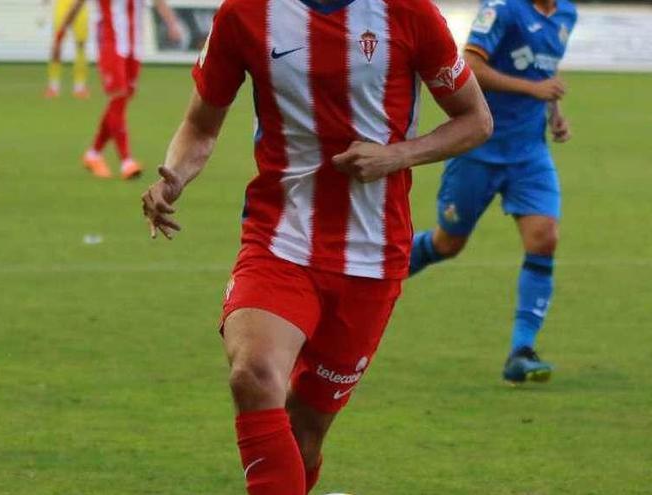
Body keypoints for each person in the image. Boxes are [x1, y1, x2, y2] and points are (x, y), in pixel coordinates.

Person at [140, 0, 492, 492]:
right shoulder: (245, 13)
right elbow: (200, 125)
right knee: (254, 373)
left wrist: (397, 156)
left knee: (303, 434)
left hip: (371, 257)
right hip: (278, 238)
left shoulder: (408, 12)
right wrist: (174, 176)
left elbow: (475, 119)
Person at [408, 0, 577, 384]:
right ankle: (373, 275)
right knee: (448, 243)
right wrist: (533, 89)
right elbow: (471, 68)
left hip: (529, 152)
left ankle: (521, 351)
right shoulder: (502, 10)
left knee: (544, 238)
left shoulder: (567, 13)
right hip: (478, 146)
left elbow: (544, 67)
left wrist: (554, 114)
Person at [53, 0, 182, 180]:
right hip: (110, 43)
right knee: (118, 97)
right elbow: (77, 4)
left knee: (121, 101)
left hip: (134, 45)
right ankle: (126, 161)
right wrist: (60, 34)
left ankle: (93, 154)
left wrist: (172, 23)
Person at [44, 0, 90, 99]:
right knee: (57, 43)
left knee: (80, 46)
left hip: (80, 6)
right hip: (62, 4)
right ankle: (53, 85)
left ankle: (80, 86)